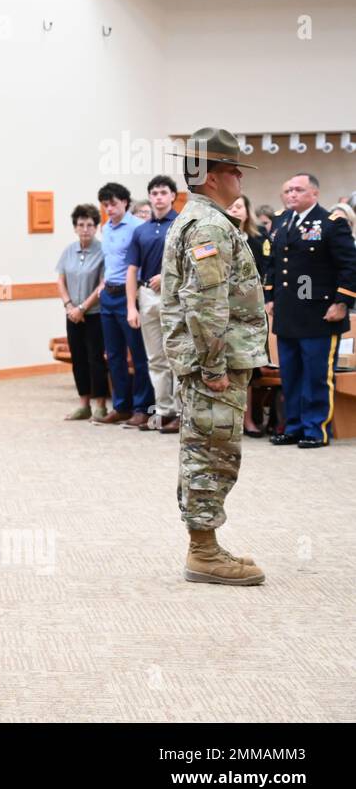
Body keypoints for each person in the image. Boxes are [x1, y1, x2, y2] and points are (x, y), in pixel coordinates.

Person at [161, 127, 268, 586]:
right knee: (211, 452)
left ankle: (206, 544)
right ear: (211, 177)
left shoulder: (203, 219)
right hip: (214, 364)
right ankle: (202, 553)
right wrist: (214, 367)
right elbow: (205, 303)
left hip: (212, 360)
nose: (240, 180)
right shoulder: (208, 225)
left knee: (206, 448)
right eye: (233, 171)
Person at [264, 173, 356, 447]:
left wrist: (342, 303)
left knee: (316, 376)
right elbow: (272, 263)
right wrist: (269, 296)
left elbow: (350, 267)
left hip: (320, 313)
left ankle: (315, 430)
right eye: (288, 190)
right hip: (287, 312)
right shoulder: (281, 221)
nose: (291, 194)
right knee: (290, 375)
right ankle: (292, 426)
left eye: (298, 190)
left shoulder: (331, 224)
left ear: (314, 193)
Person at [125, 175, 180, 432]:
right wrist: (131, 307)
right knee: (155, 358)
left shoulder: (182, 225)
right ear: (149, 197)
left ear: (173, 196)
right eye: (154, 193)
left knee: (177, 356)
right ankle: (163, 409)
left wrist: (168, 276)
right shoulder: (141, 230)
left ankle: (181, 412)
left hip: (176, 296)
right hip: (147, 296)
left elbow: (192, 263)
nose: (158, 197)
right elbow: (131, 270)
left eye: (163, 193)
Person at [95, 182, 153, 426]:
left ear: (125, 203)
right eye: (106, 204)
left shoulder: (138, 228)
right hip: (108, 295)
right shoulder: (105, 228)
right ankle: (121, 407)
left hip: (130, 295)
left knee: (138, 355)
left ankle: (142, 407)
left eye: (114, 204)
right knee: (114, 355)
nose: (110, 208)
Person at [55, 204, 109, 421]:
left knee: (95, 359)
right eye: (80, 225)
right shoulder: (69, 250)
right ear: (75, 228)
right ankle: (83, 404)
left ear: (96, 227)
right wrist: (69, 306)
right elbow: (60, 279)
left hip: (94, 314)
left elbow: (102, 284)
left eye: (89, 225)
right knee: (78, 359)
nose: (85, 229)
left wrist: (82, 308)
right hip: (72, 315)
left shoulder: (103, 251)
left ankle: (100, 406)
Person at [227, 193, 269, 437]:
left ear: (247, 210)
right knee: (227, 367)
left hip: (251, 310)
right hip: (226, 309)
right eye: (231, 206)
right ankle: (231, 421)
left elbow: (266, 271)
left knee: (248, 367)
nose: (235, 210)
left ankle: (249, 420)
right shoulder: (218, 235)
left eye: (239, 206)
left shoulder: (257, 237)